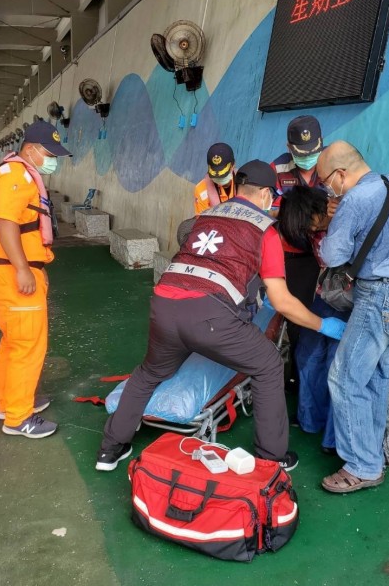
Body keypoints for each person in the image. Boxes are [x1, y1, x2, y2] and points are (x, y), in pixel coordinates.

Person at [95, 160, 347, 472]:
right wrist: (324, 325)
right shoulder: (263, 229)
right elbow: (281, 301)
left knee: (149, 373)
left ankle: (109, 449)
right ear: (268, 194)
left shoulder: (205, 216)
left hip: (163, 304)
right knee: (268, 363)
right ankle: (272, 457)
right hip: (209, 316)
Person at [317, 141, 389, 493]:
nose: (327, 189)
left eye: (325, 182)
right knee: (376, 376)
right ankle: (372, 456)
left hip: (383, 295)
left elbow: (333, 254)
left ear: (339, 175)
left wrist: (333, 219)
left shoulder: (355, 199)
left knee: (344, 377)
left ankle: (362, 466)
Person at [0, 120, 71, 438]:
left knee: (14, 342)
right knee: (28, 346)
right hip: (12, 273)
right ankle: (18, 417)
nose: (53, 160)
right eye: (49, 153)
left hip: (8, 272)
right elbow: (5, 223)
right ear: (30, 150)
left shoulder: (19, 174)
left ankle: (10, 402)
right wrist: (22, 268)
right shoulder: (15, 177)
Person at [276, 186, 348, 453]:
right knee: (307, 355)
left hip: (351, 300)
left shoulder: (345, 216)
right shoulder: (314, 232)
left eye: (309, 222)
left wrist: (341, 214)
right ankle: (310, 420)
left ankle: (332, 438)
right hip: (325, 296)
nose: (307, 229)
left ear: (319, 211)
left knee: (335, 364)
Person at [269, 116, 333, 393]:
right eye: (300, 154)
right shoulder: (277, 169)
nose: (307, 159)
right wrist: (290, 212)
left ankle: (307, 380)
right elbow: (266, 210)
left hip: (327, 255)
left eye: (312, 152)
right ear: (289, 147)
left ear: (320, 143)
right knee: (292, 317)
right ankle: (293, 381)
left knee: (312, 318)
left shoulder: (332, 165)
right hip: (289, 254)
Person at [193, 142, 236, 215]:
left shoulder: (244, 184)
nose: (219, 178)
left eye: (223, 175)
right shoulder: (201, 190)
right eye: (215, 175)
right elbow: (202, 222)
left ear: (233, 166)